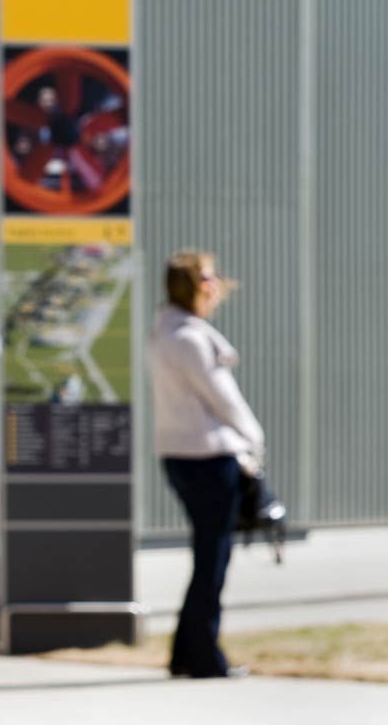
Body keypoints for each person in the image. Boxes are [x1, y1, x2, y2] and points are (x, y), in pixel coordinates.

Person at [147, 249, 265, 679]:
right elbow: (226, 400)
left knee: (205, 560)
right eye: (209, 278)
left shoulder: (163, 333)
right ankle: (203, 658)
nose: (216, 286)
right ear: (195, 285)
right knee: (212, 563)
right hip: (209, 459)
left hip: (179, 457)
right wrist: (254, 441)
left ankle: (184, 654)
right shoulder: (191, 339)